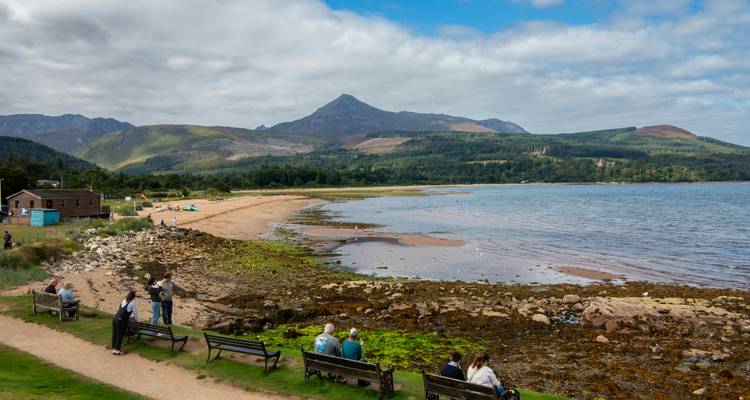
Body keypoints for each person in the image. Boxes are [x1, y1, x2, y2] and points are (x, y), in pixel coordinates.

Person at [111, 289, 138, 355]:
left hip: (115, 318)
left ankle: (114, 349)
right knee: (120, 335)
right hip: (121, 321)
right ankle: (118, 350)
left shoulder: (124, 300)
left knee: (115, 334)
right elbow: (135, 313)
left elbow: (120, 309)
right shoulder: (133, 302)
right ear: (134, 296)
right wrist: (137, 321)